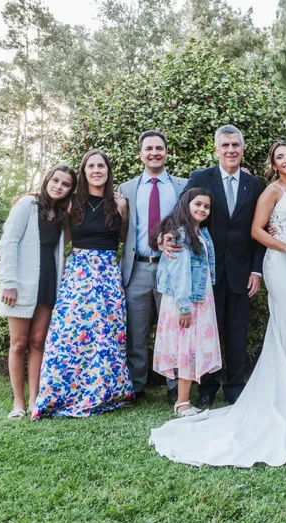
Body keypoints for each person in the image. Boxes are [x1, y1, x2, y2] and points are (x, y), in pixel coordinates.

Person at [149, 141, 286, 467]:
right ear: (273, 163)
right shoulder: (268, 189)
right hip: (278, 262)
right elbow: (253, 228)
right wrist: (163, 235)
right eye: (280, 156)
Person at [32, 149, 133, 419]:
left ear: (108, 171)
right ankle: (65, 393)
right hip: (77, 274)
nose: (97, 170)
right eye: (91, 166)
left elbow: (123, 239)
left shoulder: (120, 203)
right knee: (70, 335)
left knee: (105, 336)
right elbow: (51, 217)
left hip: (108, 274)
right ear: (84, 170)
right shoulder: (70, 203)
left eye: (102, 166)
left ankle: (103, 391)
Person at [170, 125, 266, 407]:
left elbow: (259, 230)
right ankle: (207, 388)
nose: (231, 150)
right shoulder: (201, 178)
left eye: (235, 145)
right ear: (217, 149)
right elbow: (181, 214)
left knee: (237, 333)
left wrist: (256, 270)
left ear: (243, 149)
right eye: (225, 145)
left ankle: (235, 387)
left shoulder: (255, 185)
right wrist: (168, 237)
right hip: (205, 273)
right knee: (207, 333)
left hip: (241, 272)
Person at [0, 164, 76, 419]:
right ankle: (17, 403)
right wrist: (9, 281)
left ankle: (35, 401)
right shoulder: (27, 205)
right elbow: (8, 242)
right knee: (18, 343)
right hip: (21, 281)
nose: (59, 187)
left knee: (38, 341)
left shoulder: (62, 213)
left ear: (70, 190)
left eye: (65, 184)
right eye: (56, 181)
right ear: (47, 180)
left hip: (49, 279)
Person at [118, 130, 188, 405]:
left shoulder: (182, 186)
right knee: (136, 332)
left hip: (171, 267)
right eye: (149, 149)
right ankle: (136, 386)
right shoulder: (127, 189)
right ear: (141, 154)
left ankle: (174, 386)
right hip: (138, 269)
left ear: (167, 152)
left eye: (159, 148)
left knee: (172, 329)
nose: (154, 153)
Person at [151, 188, 221, 417]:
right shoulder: (180, 234)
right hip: (187, 300)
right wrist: (184, 307)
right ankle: (182, 402)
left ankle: (185, 399)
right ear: (186, 204)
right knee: (186, 348)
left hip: (199, 299)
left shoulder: (201, 232)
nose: (202, 209)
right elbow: (180, 272)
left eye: (206, 206)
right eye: (198, 204)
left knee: (192, 347)